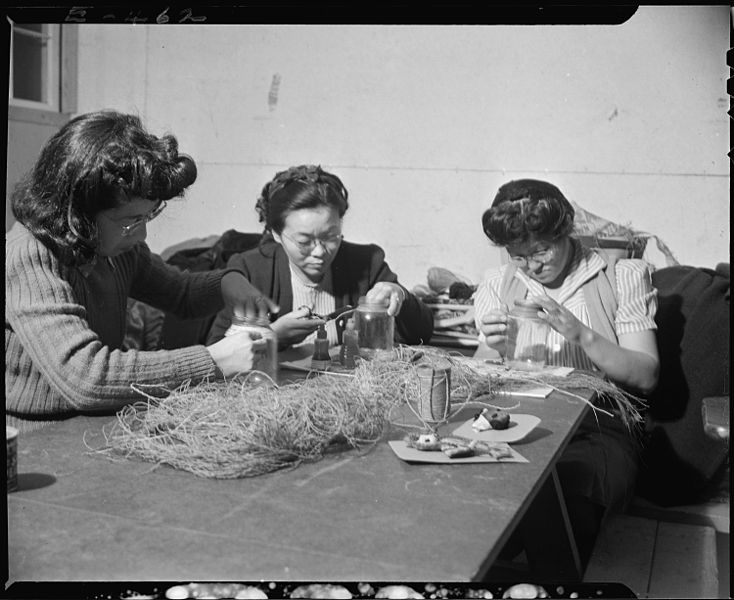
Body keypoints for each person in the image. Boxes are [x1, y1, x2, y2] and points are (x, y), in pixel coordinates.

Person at [5, 110, 275, 431]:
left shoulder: (117, 249)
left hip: (94, 421)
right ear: (78, 211)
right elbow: (86, 377)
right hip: (35, 436)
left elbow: (181, 293)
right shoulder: (29, 254)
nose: (141, 235)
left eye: (147, 218)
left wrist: (228, 282)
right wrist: (214, 361)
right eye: (130, 221)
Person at [474, 178, 660, 568]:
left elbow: (646, 375)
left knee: (566, 488)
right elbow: (481, 378)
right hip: (516, 423)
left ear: (565, 231)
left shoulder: (619, 275)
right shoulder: (499, 283)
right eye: (518, 255)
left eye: (541, 250)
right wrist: (495, 347)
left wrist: (582, 334)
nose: (532, 265)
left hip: (597, 428)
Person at [207, 164, 433, 350]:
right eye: (304, 242)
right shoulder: (249, 271)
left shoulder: (367, 263)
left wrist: (400, 296)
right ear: (276, 234)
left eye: (331, 236)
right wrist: (274, 336)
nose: (319, 252)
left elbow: (422, 332)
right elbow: (217, 350)